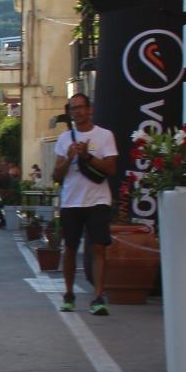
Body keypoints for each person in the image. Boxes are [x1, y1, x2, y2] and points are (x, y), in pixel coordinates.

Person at [53, 92, 119, 315]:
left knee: (98, 247)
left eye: (80, 107)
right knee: (70, 248)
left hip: (98, 200)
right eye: (73, 109)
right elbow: (56, 175)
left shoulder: (105, 136)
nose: (77, 112)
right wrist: (70, 157)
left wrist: (88, 157)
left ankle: (98, 297)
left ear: (89, 109)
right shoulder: (64, 139)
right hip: (71, 202)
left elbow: (110, 169)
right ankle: (69, 294)